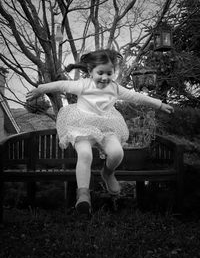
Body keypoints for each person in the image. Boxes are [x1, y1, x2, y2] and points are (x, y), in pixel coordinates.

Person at [26, 49, 174, 216]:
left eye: (109, 73)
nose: (105, 77)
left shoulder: (115, 88)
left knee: (117, 153)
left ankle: (108, 173)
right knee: (85, 155)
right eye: (100, 73)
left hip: (107, 127)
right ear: (90, 71)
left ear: (114, 73)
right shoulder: (83, 85)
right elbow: (60, 85)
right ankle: (83, 195)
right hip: (81, 126)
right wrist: (40, 89)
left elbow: (135, 96)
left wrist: (159, 104)